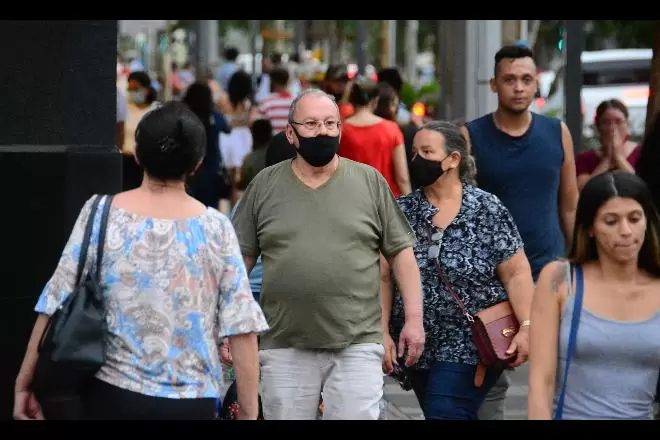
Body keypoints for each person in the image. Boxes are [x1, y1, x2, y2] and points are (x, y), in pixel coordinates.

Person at [13, 101, 268, 420]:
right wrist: (248, 411)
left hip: (111, 395)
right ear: (198, 164)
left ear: (136, 155)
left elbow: (55, 300)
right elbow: (242, 328)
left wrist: (24, 383)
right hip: (192, 401)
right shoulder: (216, 228)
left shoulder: (100, 212)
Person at [231, 88, 425, 420]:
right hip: (284, 345)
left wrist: (413, 321)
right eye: (311, 123)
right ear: (291, 133)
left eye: (330, 123)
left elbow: (401, 254)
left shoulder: (369, 182)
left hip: (357, 342)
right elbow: (238, 263)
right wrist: (228, 325)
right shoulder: (264, 186)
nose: (322, 131)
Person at [381, 121, 534, 420]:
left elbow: (516, 272)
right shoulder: (402, 211)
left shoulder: (486, 208)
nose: (418, 161)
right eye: (414, 154)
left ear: (453, 159)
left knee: (444, 411)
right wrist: (382, 330)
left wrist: (528, 328)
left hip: (471, 341)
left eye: (427, 152)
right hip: (417, 346)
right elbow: (384, 275)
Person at [461, 45, 579, 419]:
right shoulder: (470, 136)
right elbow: (463, 210)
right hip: (491, 281)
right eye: (509, 79)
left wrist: (582, 264)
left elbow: (570, 205)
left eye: (526, 79)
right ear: (494, 84)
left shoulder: (557, 132)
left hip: (551, 272)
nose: (518, 87)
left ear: (536, 83)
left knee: (562, 371)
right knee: (490, 379)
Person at [528, 171, 660, 420]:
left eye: (634, 218)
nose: (626, 231)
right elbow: (540, 383)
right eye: (611, 221)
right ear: (589, 227)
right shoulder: (560, 279)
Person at [339, 78, 411, 197]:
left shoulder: (341, 130)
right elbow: (402, 178)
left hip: (351, 200)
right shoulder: (392, 129)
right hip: (386, 202)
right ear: (375, 100)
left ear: (351, 100)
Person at [576, 99, 640, 190]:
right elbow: (582, 190)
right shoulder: (585, 158)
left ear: (627, 124)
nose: (612, 128)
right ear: (598, 127)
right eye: (606, 122)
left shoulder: (641, 153)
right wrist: (606, 160)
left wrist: (620, 159)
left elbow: (644, 189)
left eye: (618, 122)